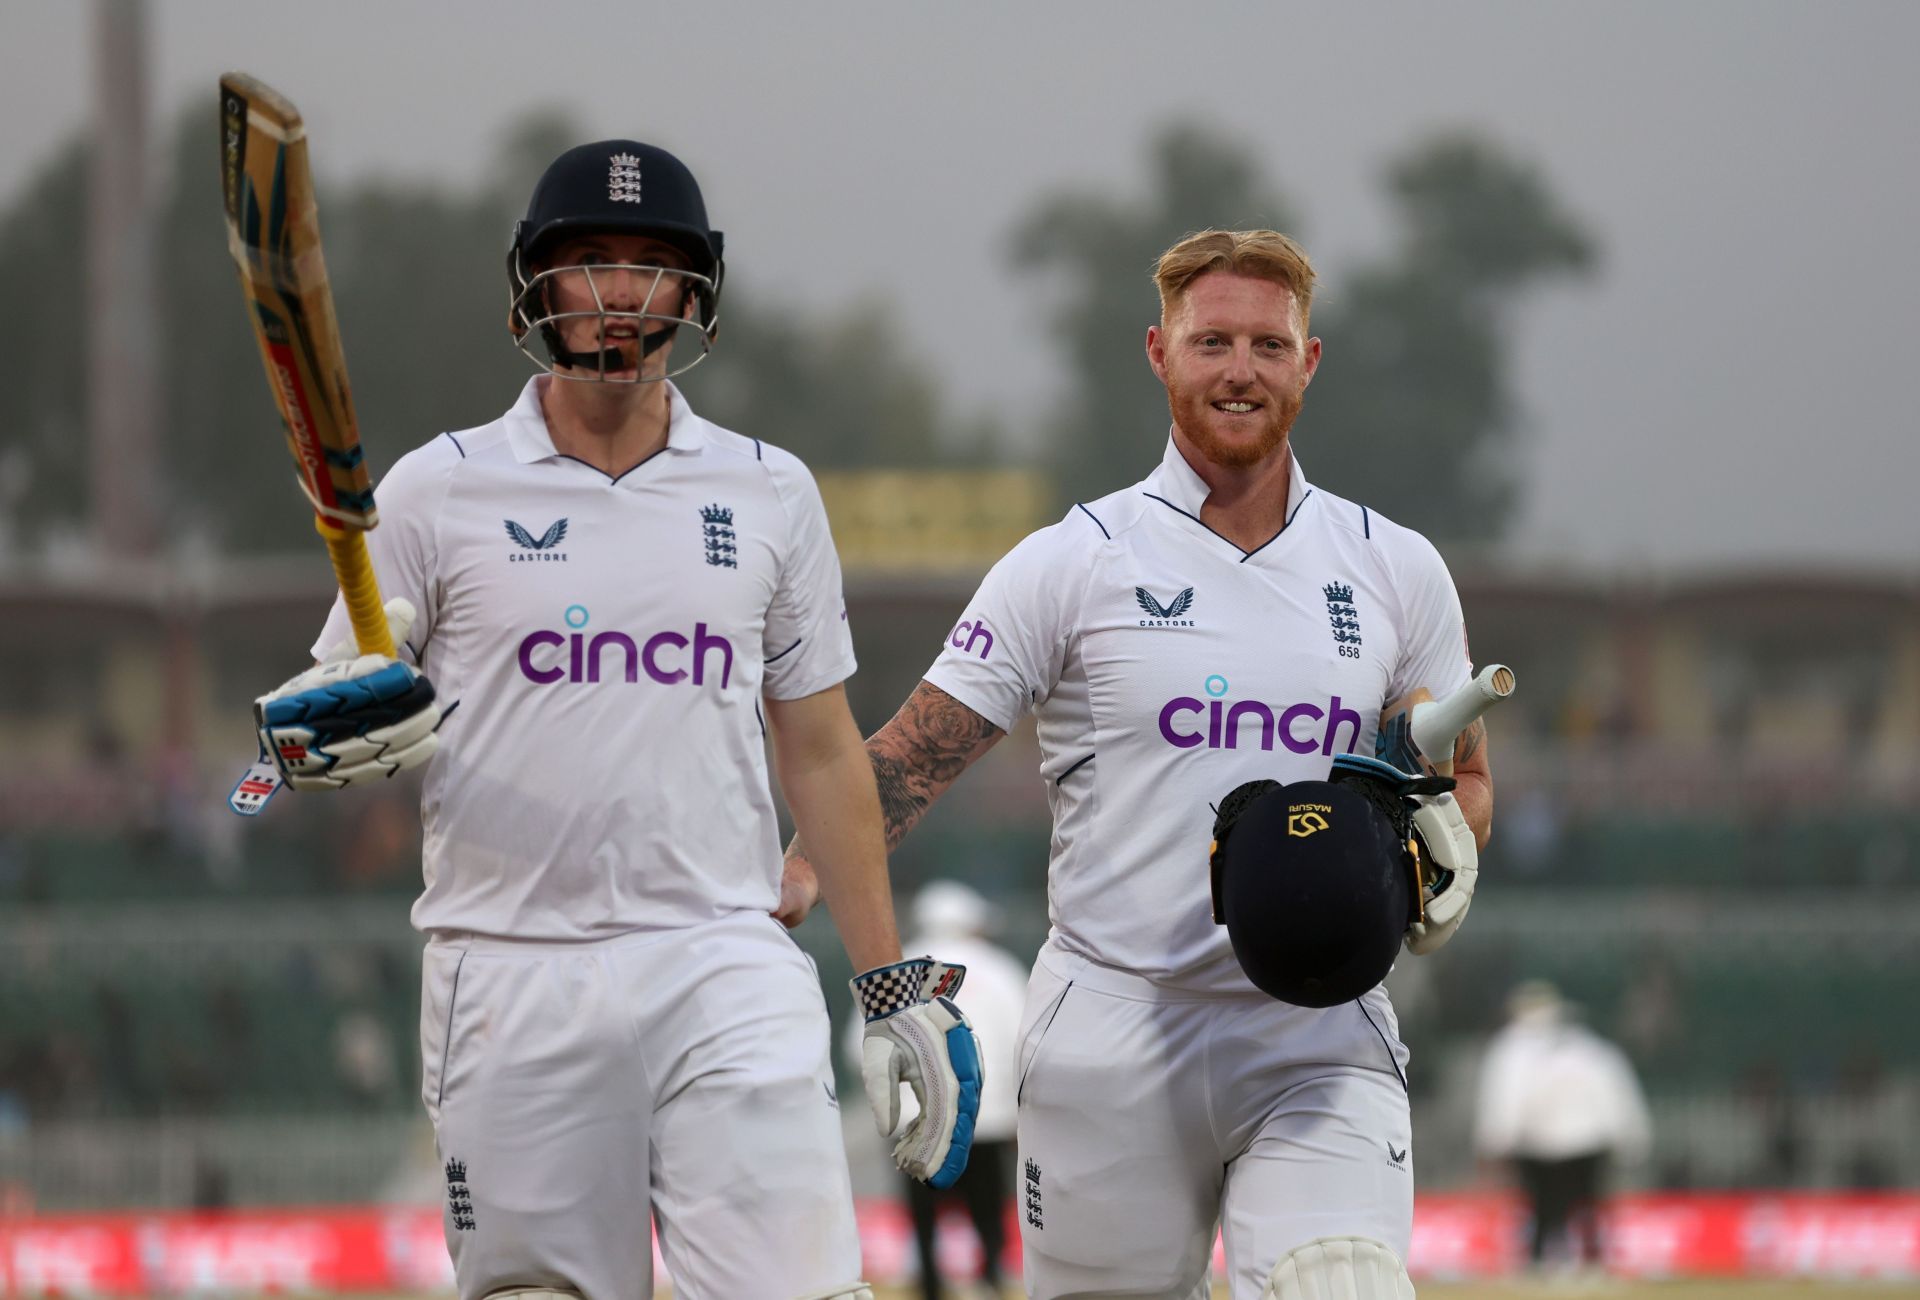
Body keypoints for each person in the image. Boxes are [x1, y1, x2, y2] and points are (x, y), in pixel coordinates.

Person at [247, 140, 979, 1300]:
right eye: (590, 260)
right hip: (508, 969)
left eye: (652, 265)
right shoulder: (436, 491)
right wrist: (295, 748)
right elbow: (314, 727)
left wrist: (887, 984)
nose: (622, 291)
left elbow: (824, 747)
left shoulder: (769, 490)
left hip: (721, 955)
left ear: (694, 296)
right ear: (536, 284)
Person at [782, 229, 1494, 1300]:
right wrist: (782, 880)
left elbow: (1466, 778)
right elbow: (900, 766)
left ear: (1309, 362)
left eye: (1268, 343)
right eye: (1213, 342)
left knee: (1337, 1283)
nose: (1240, 369)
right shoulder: (1070, 563)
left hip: (1320, 1028)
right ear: (1159, 352)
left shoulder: (1395, 567)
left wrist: (1443, 848)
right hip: (1112, 1029)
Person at [872, 882, 1026, 1300]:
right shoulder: (1000, 970)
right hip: (986, 1118)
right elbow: (1024, 1041)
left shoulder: (895, 970)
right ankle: (990, 1279)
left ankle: (931, 1287)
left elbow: (864, 1045)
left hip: (916, 1119)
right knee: (987, 1207)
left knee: (924, 1213)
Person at [1474, 981, 1650, 1274]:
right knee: (1583, 1206)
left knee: (1547, 1206)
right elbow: (1616, 1094)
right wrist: (1630, 1137)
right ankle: (1587, 1263)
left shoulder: (1513, 1048)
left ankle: (1544, 1262)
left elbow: (1504, 1099)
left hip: (1544, 1144)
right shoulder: (1589, 1047)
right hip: (1581, 1142)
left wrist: (1494, 1142)